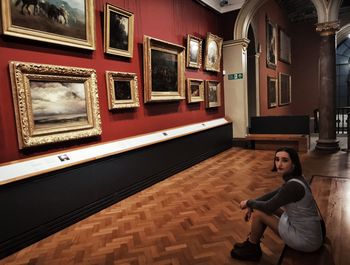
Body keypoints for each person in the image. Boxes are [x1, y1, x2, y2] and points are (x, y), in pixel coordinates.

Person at [231, 147, 324, 261]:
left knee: (260, 212)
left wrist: (248, 202)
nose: (279, 164)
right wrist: (252, 204)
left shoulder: (292, 186)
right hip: (308, 231)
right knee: (261, 207)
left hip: (306, 240)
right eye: (277, 159)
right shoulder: (297, 178)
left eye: (285, 160)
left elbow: (268, 207)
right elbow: (272, 195)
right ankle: (251, 241)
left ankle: (252, 248)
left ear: (293, 163)